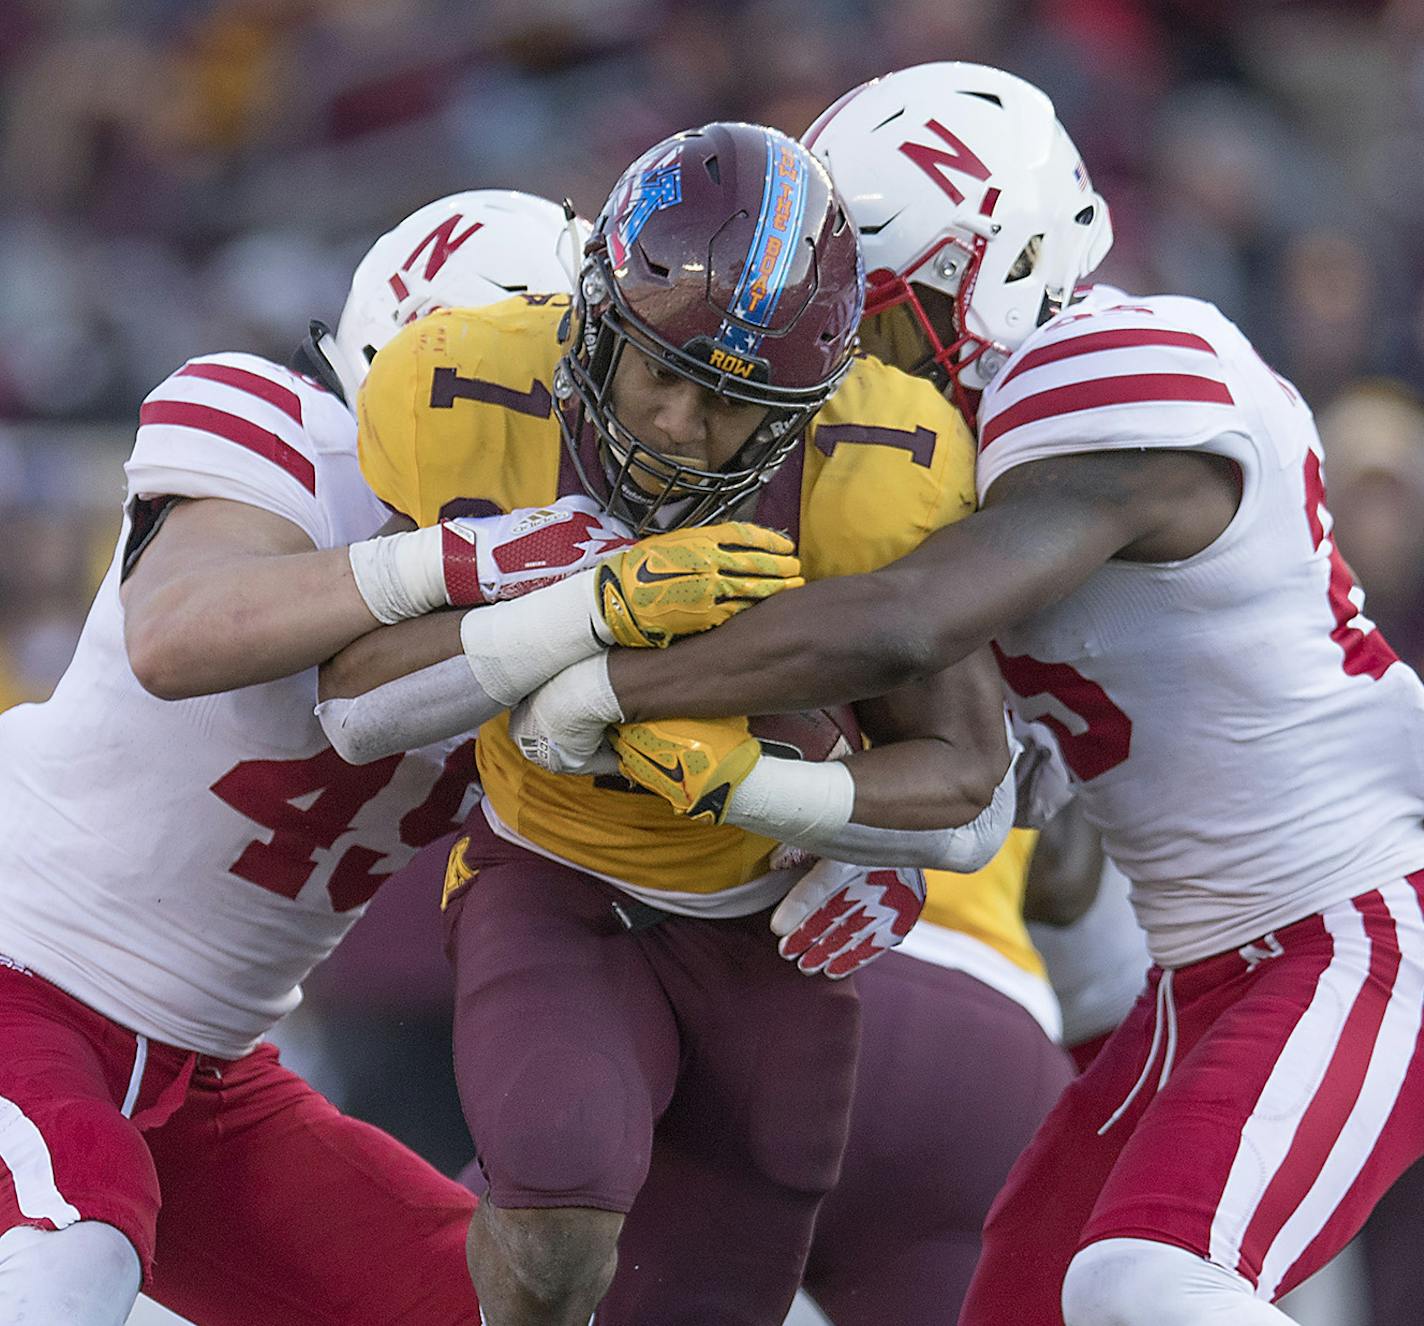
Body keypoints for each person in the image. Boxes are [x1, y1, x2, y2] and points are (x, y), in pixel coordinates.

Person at [509, 65, 1424, 1326]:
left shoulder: (1116, 365)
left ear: (982, 275)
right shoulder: (977, 467)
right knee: (1022, 1307)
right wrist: (841, 823)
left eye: (865, 317)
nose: (835, 364)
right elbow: (1006, 783)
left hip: (1355, 924)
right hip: (1198, 973)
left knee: (1152, 1279)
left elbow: (901, 624)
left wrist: (599, 676)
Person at [318, 121, 1019, 1325]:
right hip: (549, 873)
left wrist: (765, 793)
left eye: (740, 404)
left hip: (764, 930)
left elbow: (971, 787)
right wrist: (580, 616)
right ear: (591, 318)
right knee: (552, 1220)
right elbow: (353, 704)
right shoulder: (460, 383)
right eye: (665, 374)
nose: (684, 428)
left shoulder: (879, 462)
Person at [0, 188, 659, 1326]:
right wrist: (451, 563)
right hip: (23, 973)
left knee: (482, 1311)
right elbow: (179, 633)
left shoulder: (565, 561)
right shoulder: (274, 428)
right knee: (70, 1253)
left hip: (211, 1072)